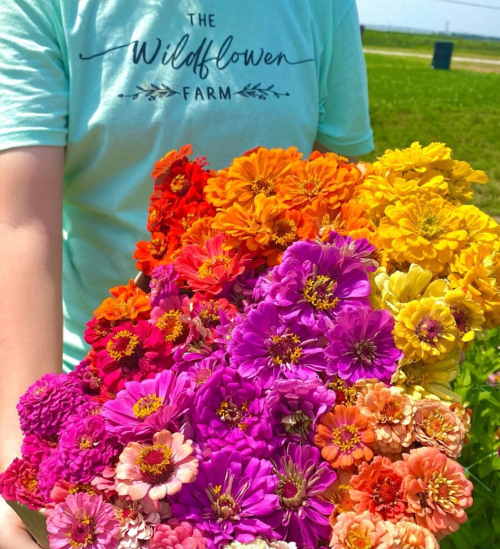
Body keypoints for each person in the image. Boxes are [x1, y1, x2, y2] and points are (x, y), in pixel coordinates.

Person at [0, 0, 373, 545]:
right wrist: (20, 466)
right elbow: (21, 225)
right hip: (100, 399)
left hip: (280, 406)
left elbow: (343, 196)